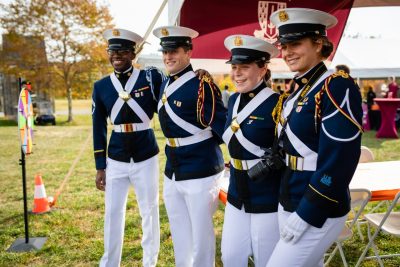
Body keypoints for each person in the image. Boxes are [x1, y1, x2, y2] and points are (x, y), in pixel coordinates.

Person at [266, 8, 364, 267]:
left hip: (318, 205)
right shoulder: (298, 90)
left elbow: (340, 160)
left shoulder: (336, 85)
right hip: (289, 195)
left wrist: (309, 211)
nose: (286, 53)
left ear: (319, 43)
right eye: (283, 46)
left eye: (295, 44)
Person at [153, 26, 227, 267]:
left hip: (201, 168)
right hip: (173, 168)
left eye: (174, 51)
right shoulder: (165, 83)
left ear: (188, 52)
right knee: (179, 229)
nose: (168, 57)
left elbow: (222, 127)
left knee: (201, 234)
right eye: (165, 52)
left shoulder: (201, 84)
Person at [92, 28, 164, 267]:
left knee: (149, 211)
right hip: (117, 157)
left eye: (122, 50)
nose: (116, 55)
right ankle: (109, 262)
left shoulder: (149, 79)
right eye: (112, 51)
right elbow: (98, 128)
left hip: (145, 155)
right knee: (113, 213)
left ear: (133, 53)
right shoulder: (101, 86)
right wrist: (100, 166)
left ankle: (149, 262)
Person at [220, 35, 281, 267]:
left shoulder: (278, 103)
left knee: (266, 260)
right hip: (237, 191)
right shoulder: (233, 99)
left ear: (263, 69)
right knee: (231, 257)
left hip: (267, 194)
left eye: (244, 67)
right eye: (234, 67)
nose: (237, 73)